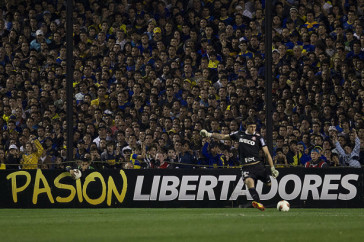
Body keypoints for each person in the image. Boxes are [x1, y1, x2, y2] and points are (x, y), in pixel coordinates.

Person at [200, 117, 279, 211]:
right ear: (246, 126)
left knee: (269, 184)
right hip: (246, 167)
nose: (253, 129)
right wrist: (209, 134)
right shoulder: (239, 134)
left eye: (254, 127)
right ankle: (258, 203)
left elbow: (266, 153)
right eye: (251, 127)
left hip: (258, 165)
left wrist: (272, 168)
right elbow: (223, 136)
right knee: (249, 182)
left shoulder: (258, 137)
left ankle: (259, 199)